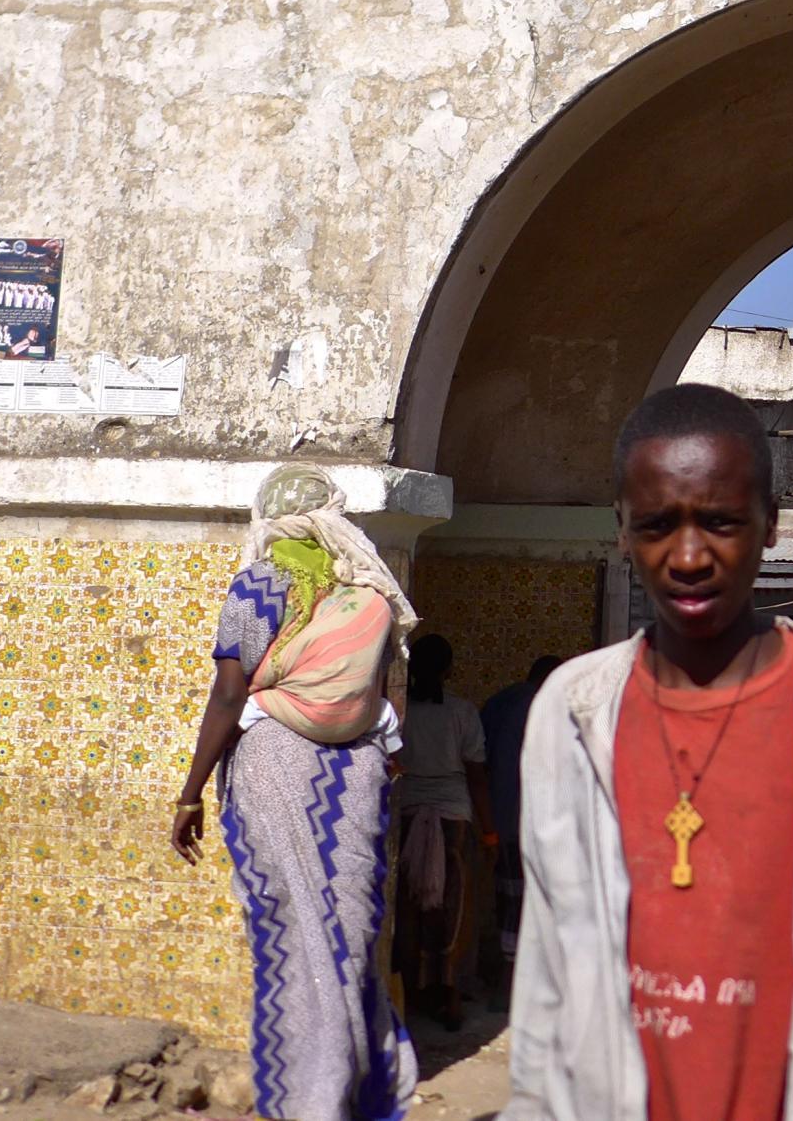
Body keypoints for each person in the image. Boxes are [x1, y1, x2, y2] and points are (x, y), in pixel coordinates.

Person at [504, 384, 793, 1121]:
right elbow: (549, 962)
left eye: (719, 522)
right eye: (657, 525)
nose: (688, 556)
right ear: (622, 530)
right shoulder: (571, 708)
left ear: (770, 524)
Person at [171, 464, 419, 1121]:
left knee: (298, 933)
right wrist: (387, 756)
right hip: (359, 769)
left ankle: (314, 1096)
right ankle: (357, 1089)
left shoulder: (262, 582)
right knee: (347, 932)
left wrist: (190, 792)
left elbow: (230, 691)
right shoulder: (369, 590)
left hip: (275, 762)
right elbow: (389, 691)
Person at [393, 632, 490, 1027]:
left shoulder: (400, 713)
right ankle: (449, 992)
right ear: (450, 670)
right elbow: (477, 774)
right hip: (453, 818)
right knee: (454, 906)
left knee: (410, 902)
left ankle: (412, 989)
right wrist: (491, 833)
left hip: (409, 811)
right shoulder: (463, 713)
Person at [478, 652, 560, 1009]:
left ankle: (499, 976)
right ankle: (513, 986)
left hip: (492, 819)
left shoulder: (498, 703)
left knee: (502, 898)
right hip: (528, 820)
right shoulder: (544, 708)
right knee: (523, 902)